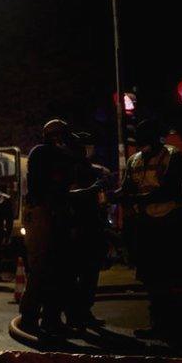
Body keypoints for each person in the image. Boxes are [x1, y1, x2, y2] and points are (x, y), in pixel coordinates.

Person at [116, 119, 182, 347]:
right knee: (152, 278)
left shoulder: (174, 156)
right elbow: (127, 187)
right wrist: (114, 195)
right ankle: (158, 326)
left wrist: (134, 199)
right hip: (148, 225)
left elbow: (170, 189)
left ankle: (178, 331)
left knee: (174, 278)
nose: (143, 144)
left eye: (147, 139)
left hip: (172, 224)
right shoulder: (134, 160)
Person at [19, 119, 77, 336]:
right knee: (48, 270)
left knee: (46, 270)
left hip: (46, 215)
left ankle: (36, 317)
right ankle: (42, 318)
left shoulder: (41, 153)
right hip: (47, 216)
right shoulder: (48, 154)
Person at [67, 132, 109, 328]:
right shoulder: (70, 169)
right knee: (80, 274)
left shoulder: (90, 169)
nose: (87, 150)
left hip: (90, 227)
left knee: (89, 274)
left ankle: (81, 313)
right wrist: (95, 188)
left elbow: (100, 202)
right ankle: (77, 314)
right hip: (76, 227)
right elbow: (69, 196)